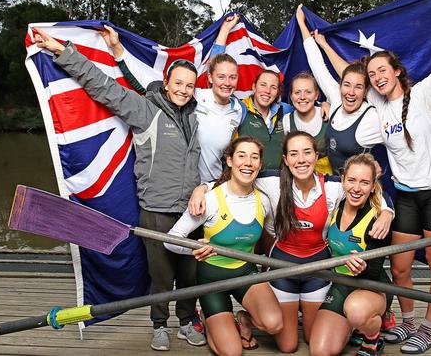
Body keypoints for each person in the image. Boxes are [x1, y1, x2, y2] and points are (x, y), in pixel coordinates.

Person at [311, 0, 431, 353]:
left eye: (381, 71)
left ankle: (428, 329)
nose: (376, 78)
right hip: (404, 195)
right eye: (372, 75)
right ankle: (407, 323)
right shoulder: (375, 104)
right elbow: (345, 72)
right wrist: (322, 42)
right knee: (400, 267)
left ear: (397, 71)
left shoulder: (424, 94)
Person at [33, 27, 207, 350]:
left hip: (191, 212)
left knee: (189, 274)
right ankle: (159, 325)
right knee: (160, 276)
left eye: (190, 85)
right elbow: (103, 86)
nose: (184, 90)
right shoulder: (145, 110)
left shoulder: (197, 116)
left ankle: (186, 322)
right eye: (178, 83)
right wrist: (62, 50)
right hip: (156, 210)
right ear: (166, 84)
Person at [189, 131, 394, 353]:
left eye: (307, 152)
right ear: (285, 159)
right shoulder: (271, 181)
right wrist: (202, 188)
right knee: (287, 346)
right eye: (294, 154)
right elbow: (238, 177)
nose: (301, 159)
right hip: (283, 266)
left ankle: (355, 328)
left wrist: (387, 211)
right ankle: (245, 319)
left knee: (312, 338)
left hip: (318, 268)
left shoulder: (334, 185)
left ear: (316, 156)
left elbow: (367, 187)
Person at [164, 137, 283, 356]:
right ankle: (208, 320)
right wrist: (193, 249)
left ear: (259, 164)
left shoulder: (264, 201)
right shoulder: (210, 200)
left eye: (254, 157)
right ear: (229, 160)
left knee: (274, 324)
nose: (248, 162)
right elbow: (170, 239)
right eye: (241, 156)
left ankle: (244, 319)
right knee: (232, 352)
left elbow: (271, 235)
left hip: (246, 274)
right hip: (212, 280)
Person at [114, 15, 245, 183]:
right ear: (210, 78)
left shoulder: (239, 110)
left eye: (232, 77)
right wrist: (117, 48)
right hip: (179, 185)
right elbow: (145, 83)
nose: (227, 82)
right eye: (221, 77)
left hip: (212, 187)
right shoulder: (193, 95)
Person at [309, 153, 393, 356]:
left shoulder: (378, 220)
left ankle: (372, 337)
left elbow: (374, 270)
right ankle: (355, 326)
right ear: (343, 180)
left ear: (373, 186)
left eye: (364, 183)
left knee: (356, 311)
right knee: (320, 351)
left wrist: (364, 267)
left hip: (371, 286)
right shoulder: (335, 204)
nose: (356, 188)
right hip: (341, 284)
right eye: (352, 180)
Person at [296, 5, 381, 176]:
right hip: (336, 189)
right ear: (340, 86)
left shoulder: (372, 117)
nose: (350, 92)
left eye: (358, 87)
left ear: (365, 92)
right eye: (347, 85)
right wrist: (302, 24)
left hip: (361, 193)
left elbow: (399, 139)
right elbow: (316, 64)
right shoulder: (335, 99)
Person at [236, 70, 294, 169]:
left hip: (279, 178)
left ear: (278, 92)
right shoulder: (239, 109)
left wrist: (325, 105)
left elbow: (305, 106)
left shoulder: (285, 110)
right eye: (263, 85)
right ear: (254, 87)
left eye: (273, 87)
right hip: (249, 178)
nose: (267, 91)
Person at [282, 72, 333, 174]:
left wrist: (327, 104)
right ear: (291, 97)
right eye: (297, 92)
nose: (302, 97)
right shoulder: (287, 120)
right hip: (300, 176)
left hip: (328, 178)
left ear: (316, 95)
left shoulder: (328, 113)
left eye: (308, 92)